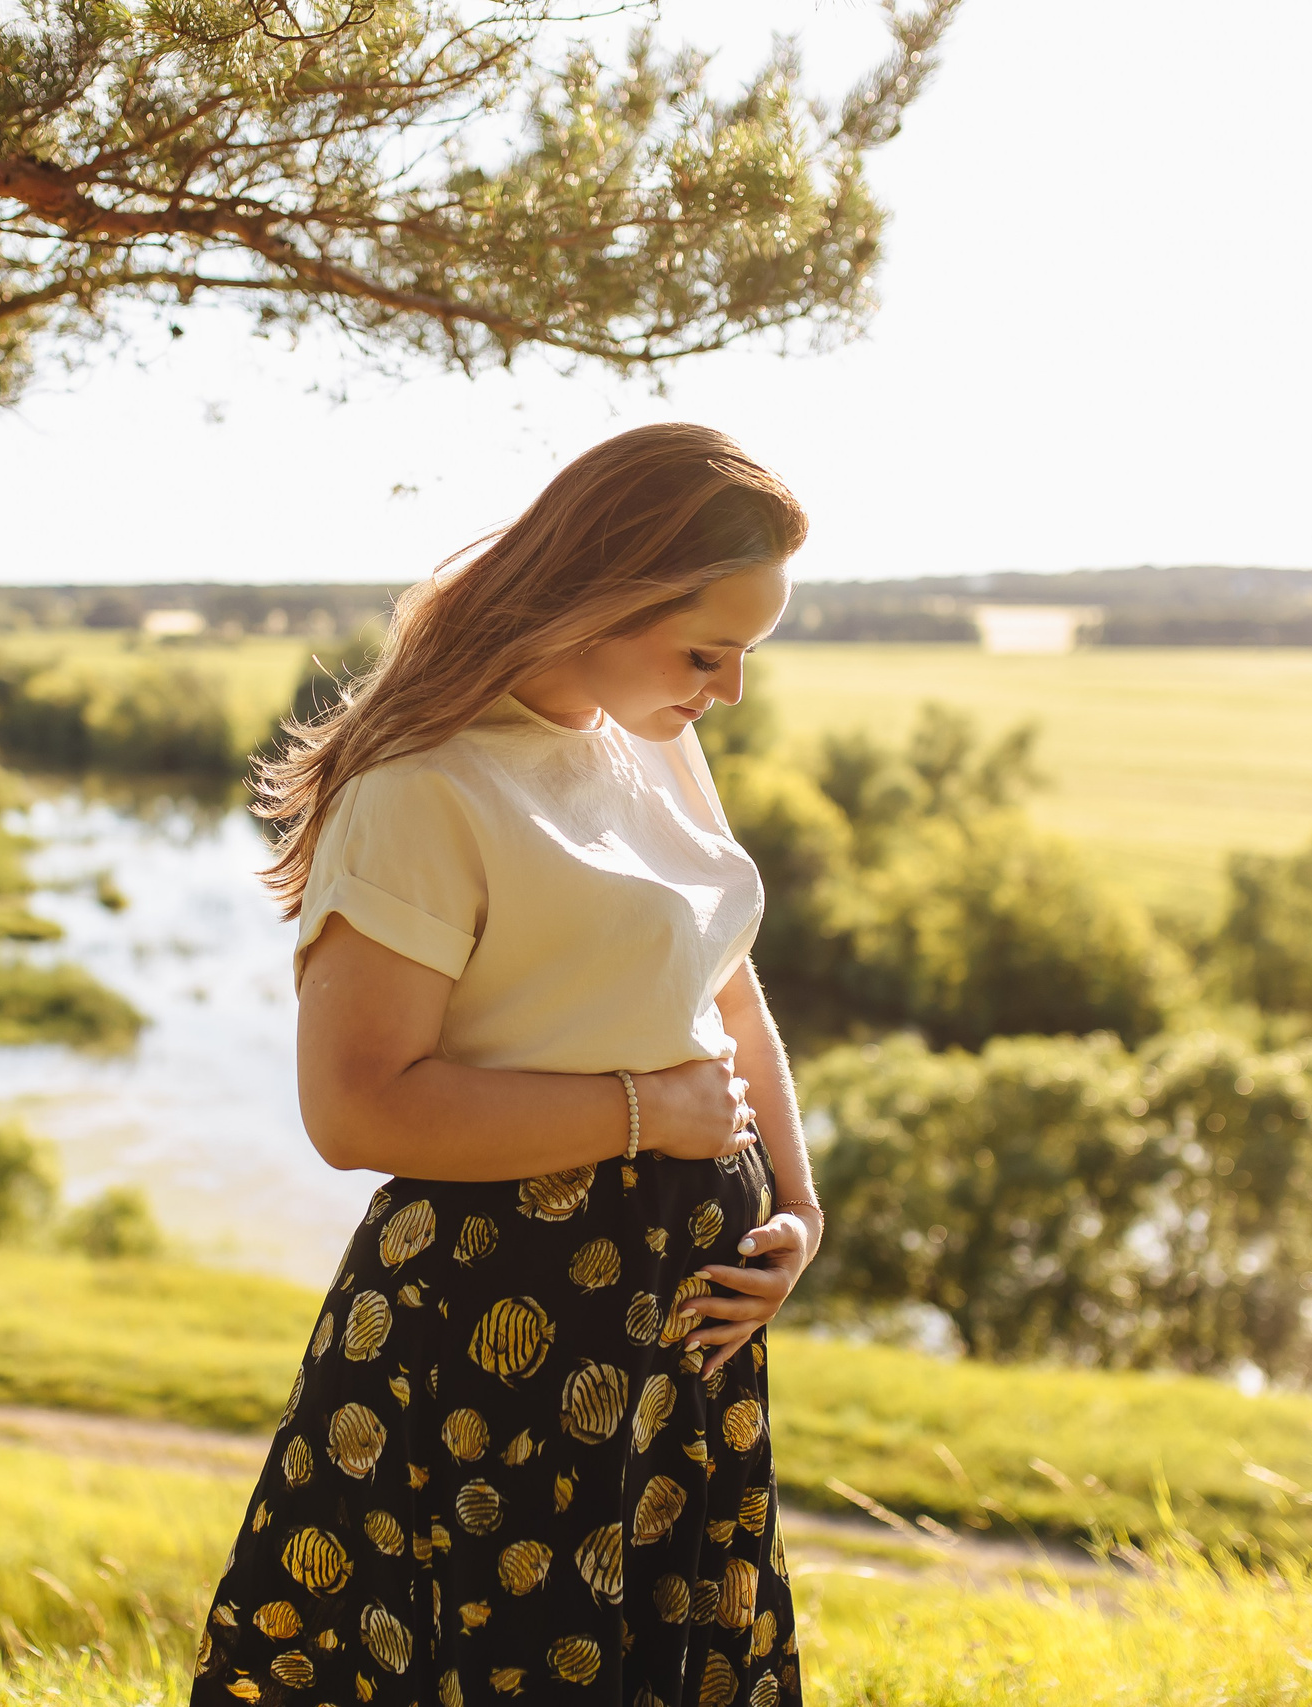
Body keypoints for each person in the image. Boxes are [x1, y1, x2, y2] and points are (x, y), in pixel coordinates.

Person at [192, 423, 822, 1707]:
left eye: (744, 657)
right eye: (707, 652)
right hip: (499, 1332)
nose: (729, 692)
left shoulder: (648, 737)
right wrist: (649, 1115)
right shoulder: (422, 786)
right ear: (603, 594)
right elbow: (356, 1106)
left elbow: (724, 976)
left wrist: (796, 1215)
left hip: (680, 1321)